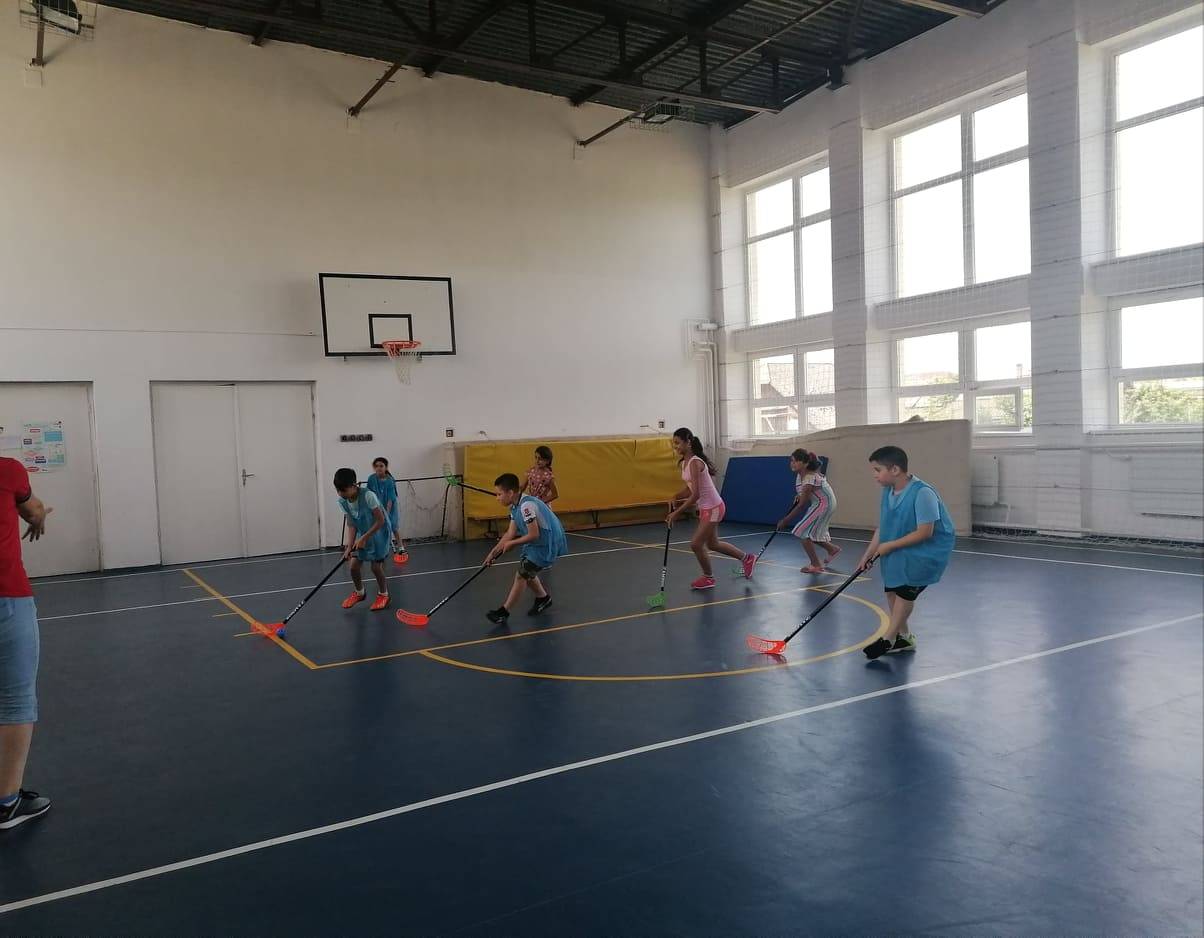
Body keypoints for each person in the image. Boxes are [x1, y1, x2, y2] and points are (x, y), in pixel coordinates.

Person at [857, 445, 955, 660]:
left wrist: (890, 546)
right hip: (900, 544)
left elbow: (925, 532)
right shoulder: (887, 491)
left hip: (927, 550)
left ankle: (888, 639)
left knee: (904, 593)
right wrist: (867, 555)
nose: (874, 475)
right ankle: (904, 638)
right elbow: (883, 527)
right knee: (892, 590)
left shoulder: (923, 493)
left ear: (894, 470)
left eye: (877, 470)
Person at [0, 456, 52, 830]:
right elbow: (33, 510)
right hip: (6, 598)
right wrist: (37, 518)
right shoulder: (8, 470)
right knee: (16, 699)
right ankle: (6, 803)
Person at [667, 427, 755, 589]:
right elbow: (690, 489)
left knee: (696, 544)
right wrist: (675, 496)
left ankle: (708, 578)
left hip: (714, 508)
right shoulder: (685, 463)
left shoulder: (695, 463)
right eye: (674, 443)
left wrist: (677, 513)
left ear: (688, 442)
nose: (675, 446)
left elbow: (696, 495)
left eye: (678, 443)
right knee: (713, 544)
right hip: (707, 508)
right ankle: (747, 558)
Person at [484, 472, 567, 624]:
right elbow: (510, 533)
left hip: (546, 543)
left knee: (522, 575)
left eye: (499, 494)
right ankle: (543, 598)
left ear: (510, 493)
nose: (497, 498)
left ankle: (504, 612)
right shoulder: (515, 506)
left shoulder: (526, 506)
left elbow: (534, 534)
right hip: (536, 543)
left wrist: (512, 544)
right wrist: (493, 553)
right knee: (528, 571)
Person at [333, 468, 391, 612]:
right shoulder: (342, 501)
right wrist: (349, 546)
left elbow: (380, 520)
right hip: (362, 532)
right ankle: (360, 593)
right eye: (338, 490)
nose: (340, 493)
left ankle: (383, 594)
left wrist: (365, 538)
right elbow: (351, 524)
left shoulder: (368, 496)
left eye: (343, 490)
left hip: (378, 533)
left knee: (375, 567)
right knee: (353, 566)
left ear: (354, 485)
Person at [776, 449, 841, 574]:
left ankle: (816, 565)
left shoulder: (809, 477)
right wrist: (800, 496)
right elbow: (804, 494)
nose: (792, 463)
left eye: (796, 461)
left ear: (805, 463)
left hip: (823, 504)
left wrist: (785, 520)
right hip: (821, 503)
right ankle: (832, 549)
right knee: (811, 532)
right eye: (791, 461)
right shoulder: (800, 476)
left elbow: (802, 505)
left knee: (802, 532)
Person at [366, 457, 408, 565]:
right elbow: (368, 494)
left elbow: (390, 499)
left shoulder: (390, 480)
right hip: (376, 507)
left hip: (390, 507)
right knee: (379, 528)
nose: (379, 468)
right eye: (376, 466)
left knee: (393, 526)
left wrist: (386, 514)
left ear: (386, 467)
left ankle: (401, 547)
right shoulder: (371, 478)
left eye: (381, 466)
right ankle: (381, 550)